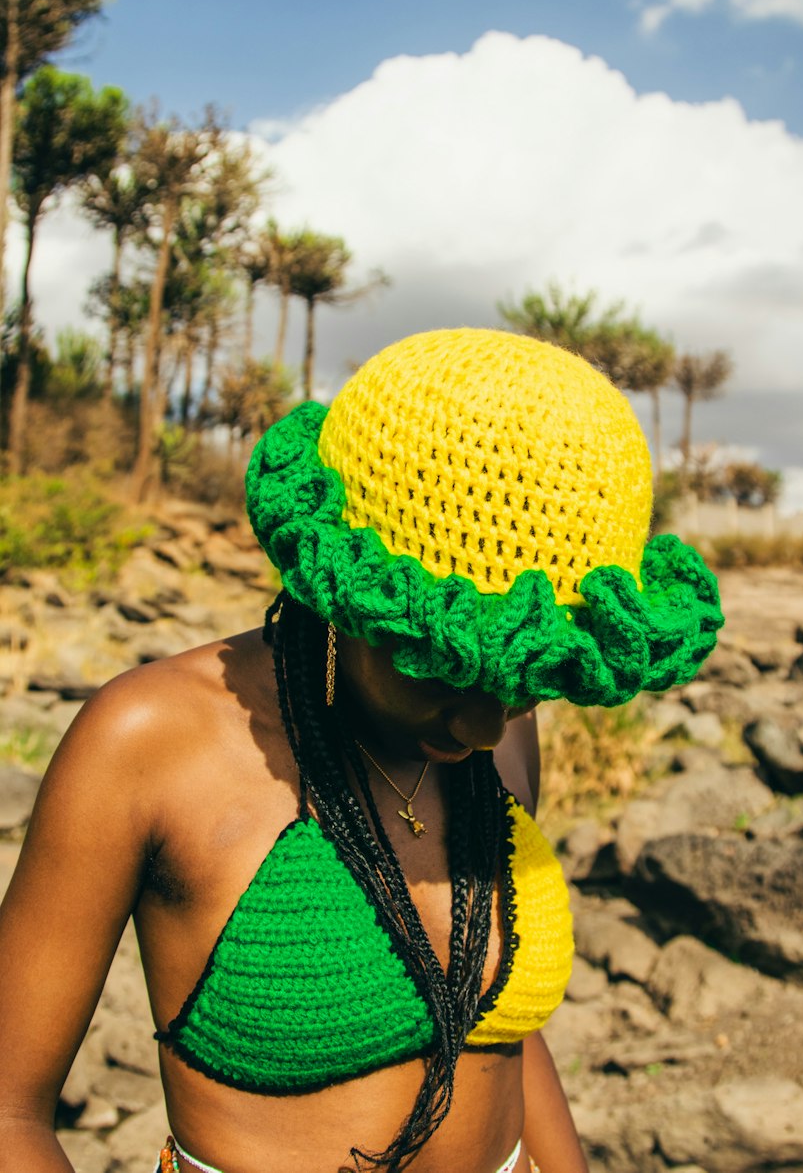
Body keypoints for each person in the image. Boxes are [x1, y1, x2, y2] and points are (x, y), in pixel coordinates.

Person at [0, 328, 723, 1173]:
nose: (485, 728)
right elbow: (10, 1109)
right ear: (345, 593)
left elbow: (489, 1025)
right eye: (441, 667)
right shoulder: (153, 742)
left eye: (532, 679)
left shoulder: (497, 736)